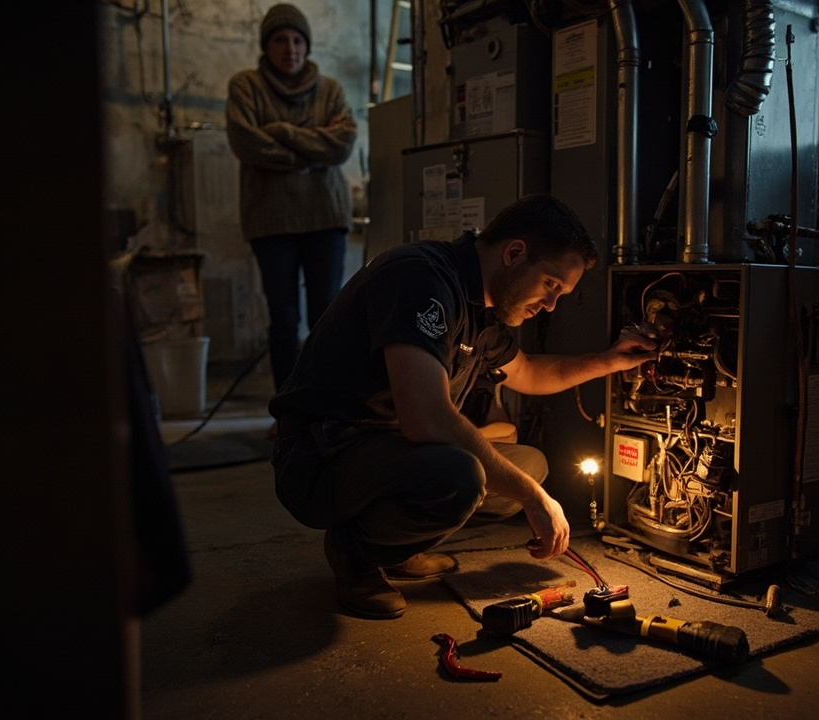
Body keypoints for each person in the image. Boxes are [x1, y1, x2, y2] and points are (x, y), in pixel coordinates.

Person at [268, 194, 657, 619]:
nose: (550, 306)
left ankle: (395, 548)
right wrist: (533, 499)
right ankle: (356, 553)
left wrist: (610, 360)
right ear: (514, 253)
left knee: (528, 466)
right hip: (321, 456)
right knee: (463, 477)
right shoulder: (420, 278)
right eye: (550, 285)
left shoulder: (480, 308)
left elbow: (528, 373)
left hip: (381, 452)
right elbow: (426, 417)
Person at [225, 3, 358, 392]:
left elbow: (343, 143)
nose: (291, 48)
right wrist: (311, 153)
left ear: (307, 45)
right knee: (283, 319)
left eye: (298, 39)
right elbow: (246, 142)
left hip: (325, 216)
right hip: (271, 221)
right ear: (266, 45)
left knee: (327, 316)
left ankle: (324, 403)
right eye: (281, 39)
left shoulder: (329, 89)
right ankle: (287, 409)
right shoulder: (245, 86)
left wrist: (281, 131)